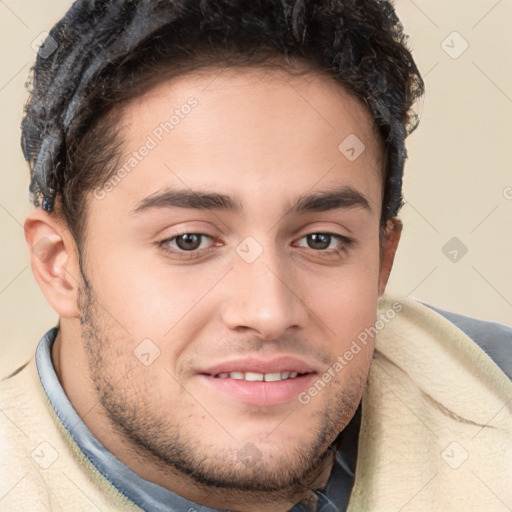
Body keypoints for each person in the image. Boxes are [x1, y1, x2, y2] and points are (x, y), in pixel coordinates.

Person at [1, 0, 511, 510]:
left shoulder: (497, 387)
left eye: (320, 240)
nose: (269, 312)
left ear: (382, 261)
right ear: (59, 264)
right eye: (189, 241)